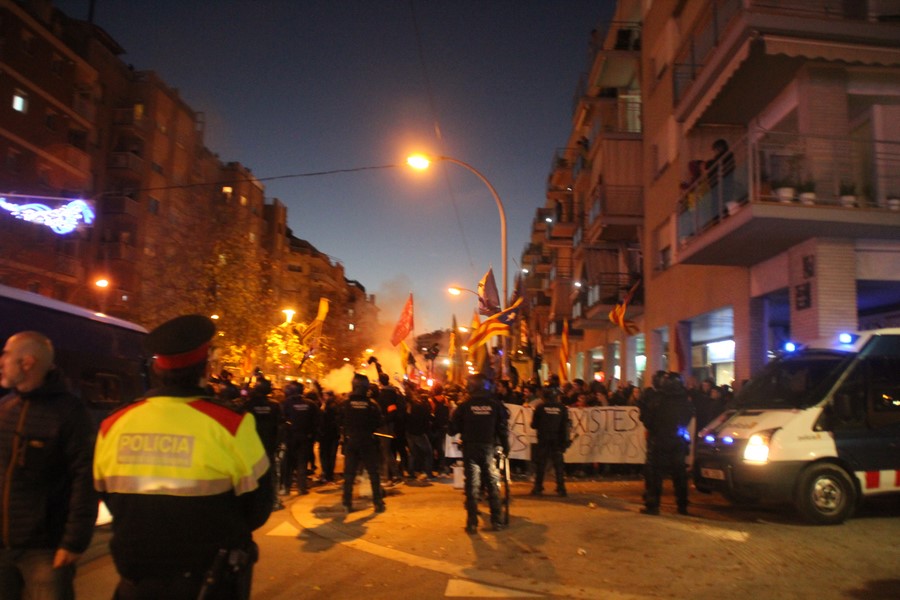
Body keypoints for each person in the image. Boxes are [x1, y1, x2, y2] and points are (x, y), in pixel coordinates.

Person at [93, 315, 273, 599]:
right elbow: (259, 506)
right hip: (209, 582)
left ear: (156, 369)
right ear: (205, 369)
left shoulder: (113, 424)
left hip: (136, 584)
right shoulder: (231, 424)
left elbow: (107, 496)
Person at [0, 331, 98, 600]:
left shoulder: (70, 413)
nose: (1, 361)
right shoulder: (5, 408)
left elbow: (85, 478)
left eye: (7, 354)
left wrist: (74, 541)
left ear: (27, 362)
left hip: (46, 550)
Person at [449, 373, 509, 534]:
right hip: (488, 448)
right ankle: (497, 520)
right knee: (492, 482)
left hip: (470, 448)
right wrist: (506, 446)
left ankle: (472, 523)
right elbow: (502, 428)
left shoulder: (465, 405)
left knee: (472, 485)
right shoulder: (495, 405)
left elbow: (452, 430)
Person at [639, 371, 695, 516]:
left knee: (654, 474)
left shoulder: (658, 400)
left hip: (659, 441)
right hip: (678, 440)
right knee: (679, 474)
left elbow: (647, 419)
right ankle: (682, 505)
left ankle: (653, 505)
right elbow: (688, 417)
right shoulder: (685, 400)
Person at [340, 373, 385, 514]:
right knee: (373, 473)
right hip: (367, 440)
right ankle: (377, 502)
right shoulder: (372, 405)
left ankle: (347, 502)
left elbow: (339, 422)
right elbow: (379, 422)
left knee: (349, 474)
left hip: (352, 440)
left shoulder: (345, 404)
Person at [243, 375, 285, 510]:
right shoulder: (274, 405)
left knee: (251, 474)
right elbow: (280, 425)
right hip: (269, 445)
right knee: (270, 475)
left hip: (251, 445)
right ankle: (272, 500)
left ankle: (251, 501)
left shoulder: (248, 404)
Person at [530, 386, 570, 497]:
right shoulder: (562, 408)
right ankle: (561, 488)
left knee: (541, 463)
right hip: (557, 439)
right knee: (558, 464)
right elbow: (565, 426)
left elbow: (534, 425)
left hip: (543, 438)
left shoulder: (540, 408)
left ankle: (538, 487)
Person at [281, 385, 320, 495]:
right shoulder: (310, 404)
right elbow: (317, 421)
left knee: (289, 463)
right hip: (305, 437)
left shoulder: (287, 403)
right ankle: (301, 488)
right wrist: (313, 436)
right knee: (302, 462)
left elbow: (282, 418)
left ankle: (286, 488)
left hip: (291, 437)